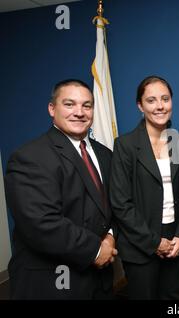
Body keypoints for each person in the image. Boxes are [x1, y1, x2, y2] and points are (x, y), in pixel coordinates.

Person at [5, 79, 117, 299]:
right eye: (69, 104)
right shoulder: (30, 156)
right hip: (53, 281)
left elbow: (114, 205)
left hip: (99, 278)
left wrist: (111, 237)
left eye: (86, 105)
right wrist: (96, 250)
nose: (79, 112)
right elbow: (41, 224)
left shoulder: (105, 154)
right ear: (52, 109)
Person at [109, 76, 179, 299]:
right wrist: (154, 242)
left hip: (176, 241)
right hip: (141, 243)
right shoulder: (125, 145)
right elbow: (120, 203)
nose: (160, 106)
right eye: (151, 100)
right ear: (140, 106)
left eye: (165, 99)